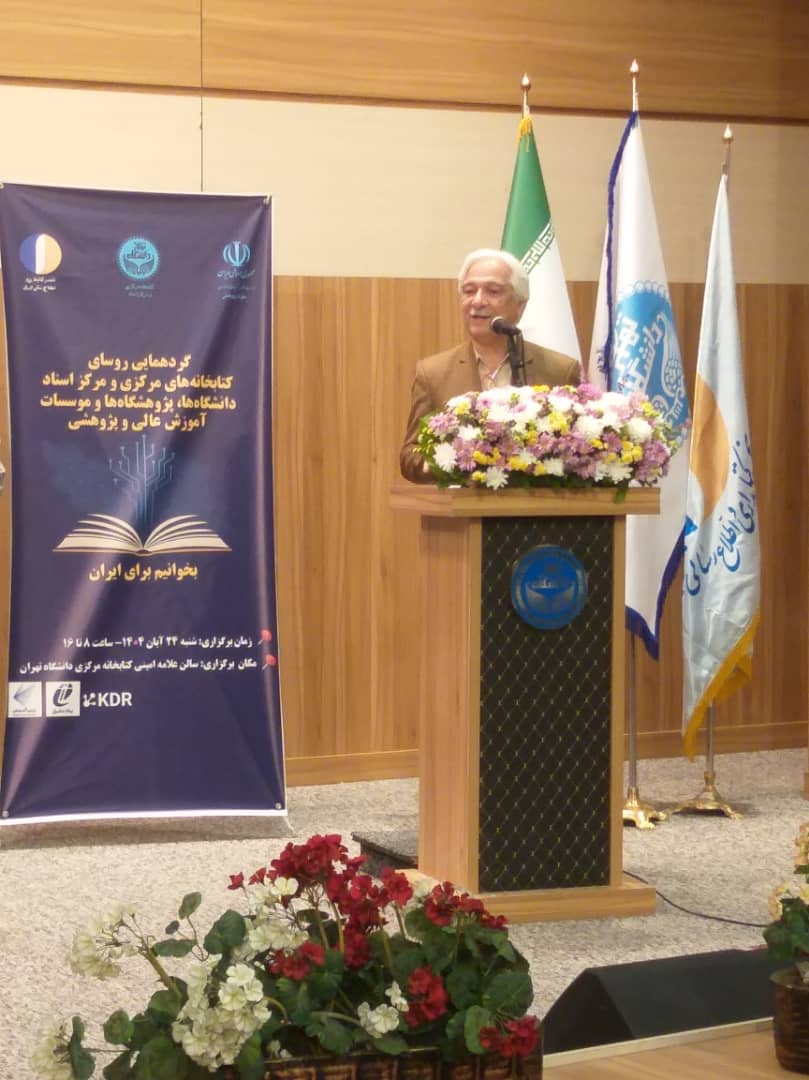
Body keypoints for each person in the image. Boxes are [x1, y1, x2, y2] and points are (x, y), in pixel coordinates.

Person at [399, 248, 581, 483]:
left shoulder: (560, 370)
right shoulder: (433, 373)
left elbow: (580, 451)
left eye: (493, 291)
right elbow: (410, 456)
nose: (477, 301)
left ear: (520, 306)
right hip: (463, 503)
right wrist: (451, 463)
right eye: (469, 291)